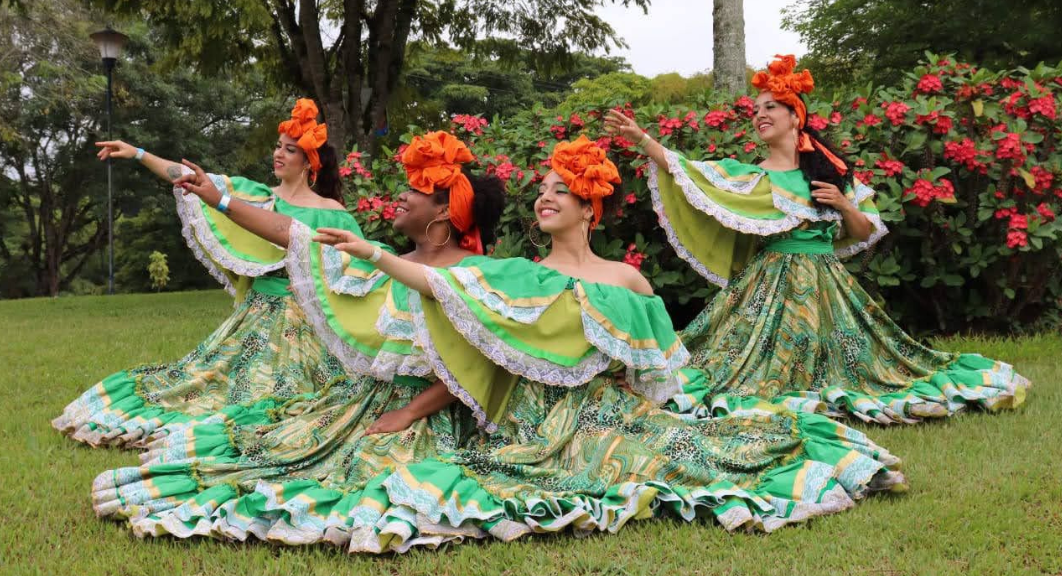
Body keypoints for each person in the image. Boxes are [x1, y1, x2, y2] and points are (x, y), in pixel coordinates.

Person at [91, 136, 905, 553]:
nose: (547, 199)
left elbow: (653, 368)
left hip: (570, 417)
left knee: (692, 448)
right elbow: (330, 248)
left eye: (561, 191)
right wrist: (214, 190)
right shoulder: (491, 270)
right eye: (543, 190)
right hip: (490, 415)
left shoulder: (603, 280)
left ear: (589, 205)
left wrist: (653, 405)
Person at [605, 55, 1029, 424]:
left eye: (772, 107)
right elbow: (691, 171)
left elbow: (863, 233)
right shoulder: (752, 178)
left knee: (875, 362)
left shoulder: (830, 174)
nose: (760, 115)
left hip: (828, 286)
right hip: (768, 286)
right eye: (757, 110)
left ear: (796, 116)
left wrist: (845, 205)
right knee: (730, 363)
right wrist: (643, 141)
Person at [53, 99, 365, 447]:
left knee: (300, 396)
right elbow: (190, 179)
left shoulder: (332, 214)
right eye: (278, 147)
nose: (278, 154)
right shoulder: (256, 197)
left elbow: (356, 272)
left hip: (309, 324)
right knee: (212, 383)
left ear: (310, 162)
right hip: (259, 315)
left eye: (289, 150)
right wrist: (138, 153)